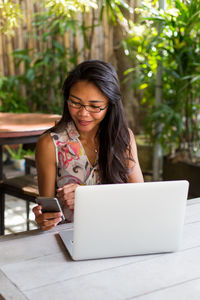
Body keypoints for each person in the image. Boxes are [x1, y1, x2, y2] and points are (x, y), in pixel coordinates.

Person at [33, 60, 144, 231]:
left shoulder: (123, 139)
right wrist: (45, 220)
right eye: (75, 103)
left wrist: (88, 198)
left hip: (118, 231)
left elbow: (140, 198)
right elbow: (48, 215)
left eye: (94, 106)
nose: (83, 113)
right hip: (70, 237)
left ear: (110, 105)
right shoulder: (50, 144)